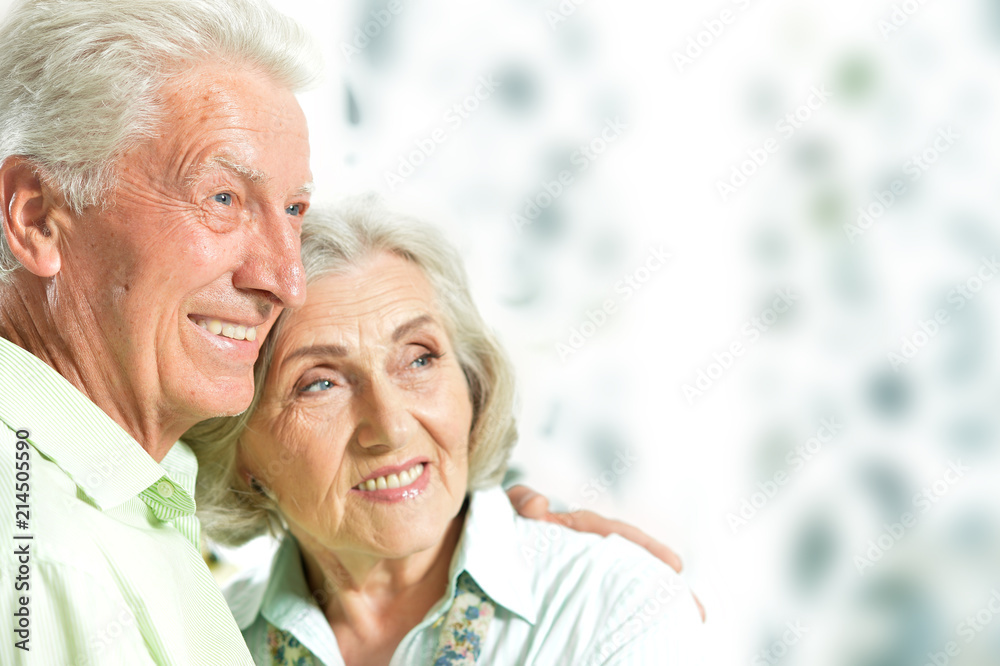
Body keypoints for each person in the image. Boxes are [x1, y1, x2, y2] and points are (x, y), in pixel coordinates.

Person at [0, 1, 694, 663]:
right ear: (36, 218)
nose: (283, 278)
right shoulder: (43, 547)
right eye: (222, 198)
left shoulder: (147, 523)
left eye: (294, 207)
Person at [185, 197, 704, 665]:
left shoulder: (615, 605)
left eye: (419, 359)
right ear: (239, 451)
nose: (389, 427)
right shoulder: (204, 645)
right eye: (320, 383)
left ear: (473, 385)